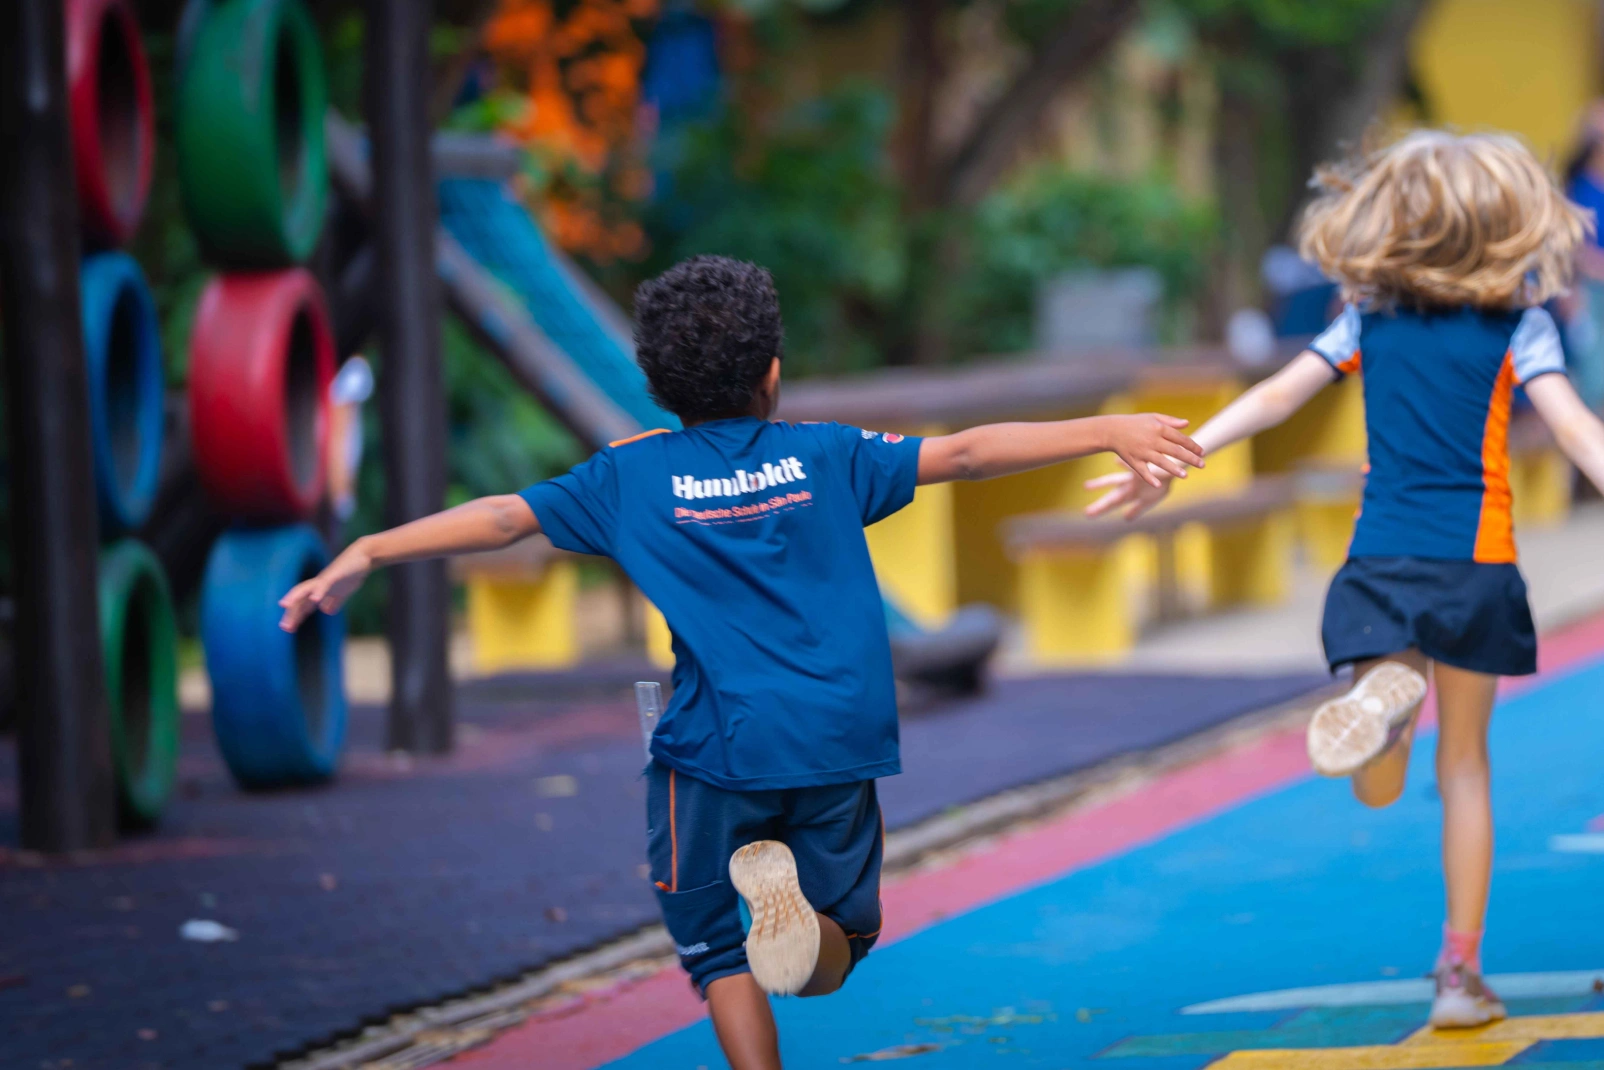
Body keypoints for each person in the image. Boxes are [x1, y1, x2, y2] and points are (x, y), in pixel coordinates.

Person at [278, 255, 1205, 1070]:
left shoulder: (627, 475)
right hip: (837, 735)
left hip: (713, 743)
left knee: (719, 952)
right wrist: (1104, 428)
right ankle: (809, 929)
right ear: (770, 372)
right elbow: (963, 454)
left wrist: (370, 549)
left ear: (655, 384)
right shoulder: (830, 456)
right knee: (847, 935)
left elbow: (501, 519)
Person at [1085, 131, 1604, 1030]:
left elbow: (1279, 396)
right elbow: (1575, 431)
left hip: (1378, 566)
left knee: (1378, 782)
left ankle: (1384, 716)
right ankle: (1458, 977)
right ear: (1506, 225)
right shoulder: (1521, 325)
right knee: (1468, 767)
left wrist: (1182, 453)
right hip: (1474, 568)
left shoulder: (1366, 319)